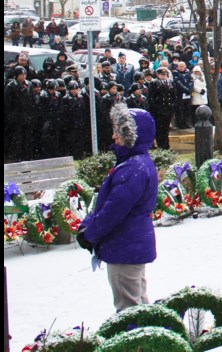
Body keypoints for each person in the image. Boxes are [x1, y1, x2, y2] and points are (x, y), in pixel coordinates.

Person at [77, 104, 158, 311]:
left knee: (128, 308)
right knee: (138, 302)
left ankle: (137, 343)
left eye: (119, 132)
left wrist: (90, 234)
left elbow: (113, 210)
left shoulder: (133, 168)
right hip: (130, 245)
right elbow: (108, 203)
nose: (114, 136)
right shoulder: (133, 164)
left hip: (125, 247)